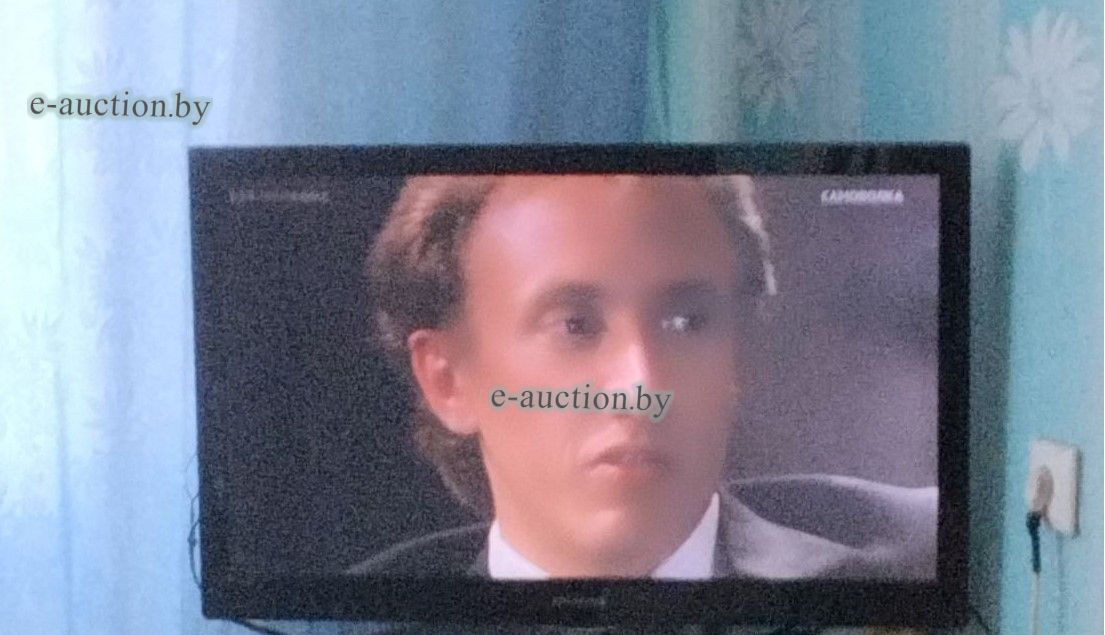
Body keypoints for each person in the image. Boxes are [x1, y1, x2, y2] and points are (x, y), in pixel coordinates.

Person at [347, 173, 935, 580]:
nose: (642, 387)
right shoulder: (383, 625)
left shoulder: (883, 581)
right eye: (576, 325)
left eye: (686, 321)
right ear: (448, 379)